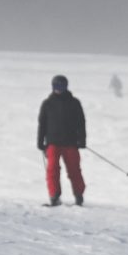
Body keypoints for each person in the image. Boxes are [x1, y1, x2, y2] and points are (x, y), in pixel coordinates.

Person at [37, 75, 86, 207]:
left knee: (74, 170)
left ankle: (79, 196)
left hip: (71, 143)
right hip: (53, 143)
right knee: (52, 170)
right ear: (52, 87)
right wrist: (40, 142)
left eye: (62, 86)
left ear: (66, 87)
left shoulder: (74, 103)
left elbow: (81, 123)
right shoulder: (47, 104)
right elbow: (42, 124)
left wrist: (82, 140)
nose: (59, 89)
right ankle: (54, 197)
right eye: (56, 86)